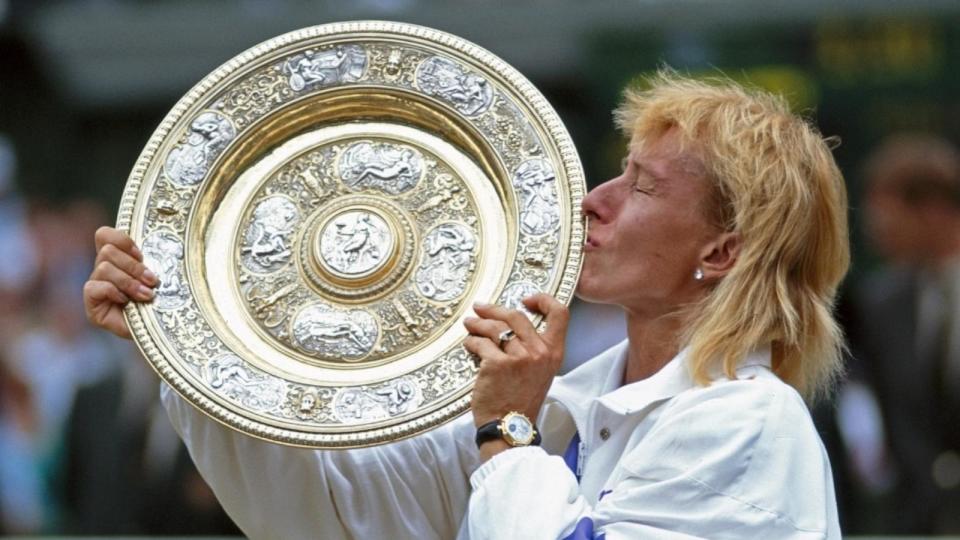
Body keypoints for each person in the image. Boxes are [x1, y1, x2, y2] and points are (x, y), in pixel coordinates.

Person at [83, 71, 848, 539]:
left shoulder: (746, 424)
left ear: (719, 252)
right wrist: (192, 334)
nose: (595, 201)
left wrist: (506, 432)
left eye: (642, 186)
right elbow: (325, 517)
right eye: (618, 172)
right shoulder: (560, 407)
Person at [851, 134, 960, 533]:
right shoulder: (880, 303)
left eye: (885, 217)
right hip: (919, 522)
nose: (875, 232)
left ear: (932, 210)